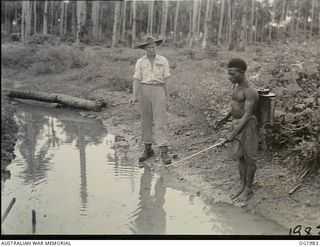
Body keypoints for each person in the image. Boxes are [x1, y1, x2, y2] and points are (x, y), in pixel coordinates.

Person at [217, 58, 259, 203]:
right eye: (228, 74)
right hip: (237, 124)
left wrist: (233, 134)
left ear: (242, 73)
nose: (230, 77)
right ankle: (242, 186)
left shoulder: (250, 91)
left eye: (233, 74)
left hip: (248, 126)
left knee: (249, 159)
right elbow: (235, 107)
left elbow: (247, 114)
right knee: (240, 158)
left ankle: (248, 189)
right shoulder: (236, 87)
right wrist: (224, 119)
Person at [129, 36, 172, 165]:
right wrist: (134, 96)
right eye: (148, 47)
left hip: (159, 90)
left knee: (160, 120)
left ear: (156, 47)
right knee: (146, 120)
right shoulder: (140, 62)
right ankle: (148, 149)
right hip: (144, 90)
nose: (151, 49)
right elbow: (137, 79)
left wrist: (167, 97)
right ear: (144, 49)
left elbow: (167, 79)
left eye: (153, 46)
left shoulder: (163, 60)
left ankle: (164, 150)